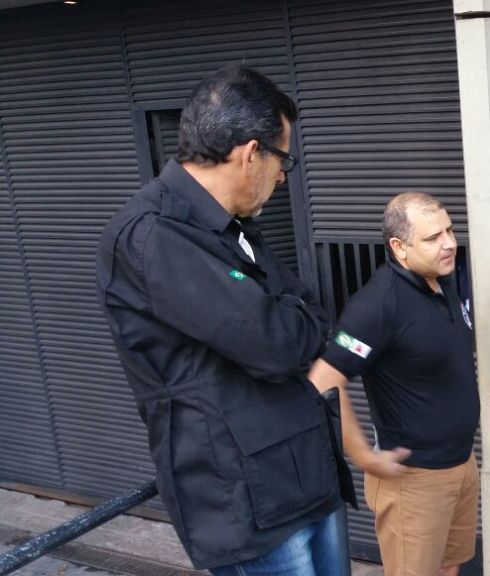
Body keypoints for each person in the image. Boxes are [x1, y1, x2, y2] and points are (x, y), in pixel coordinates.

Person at [96, 65, 379, 576]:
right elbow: (278, 344)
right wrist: (293, 317)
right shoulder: (153, 236)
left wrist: (294, 316)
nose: (283, 176)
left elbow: (310, 310)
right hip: (248, 502)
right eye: (282, 159)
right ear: (251, 154)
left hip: (305, 473)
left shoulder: (233, 228)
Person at [308, 192, 480, 576]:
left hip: (461, 464)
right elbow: (322, 379)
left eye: (449, 230)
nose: (449, 243)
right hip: (412, 479)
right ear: (399, 248)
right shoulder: (377, 306)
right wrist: (363, 456)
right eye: (433, 237)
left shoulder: (445, 281)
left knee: (450, 565)